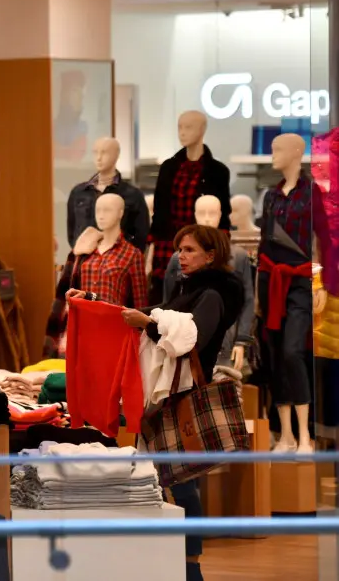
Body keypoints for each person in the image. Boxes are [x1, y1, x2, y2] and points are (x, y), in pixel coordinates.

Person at [71, 223, 243, 581]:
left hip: (182, 397)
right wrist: (92, 300)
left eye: (190, 249)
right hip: (166, 399)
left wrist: (148, 323)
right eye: (180, 249)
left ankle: (190, 566)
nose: (181, 255)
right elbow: (145, 312)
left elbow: (193, 338)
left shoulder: (212, 293)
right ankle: (170, 561)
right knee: (168, 481)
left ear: (211, 255)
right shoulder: (188, 290)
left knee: (181, 483)